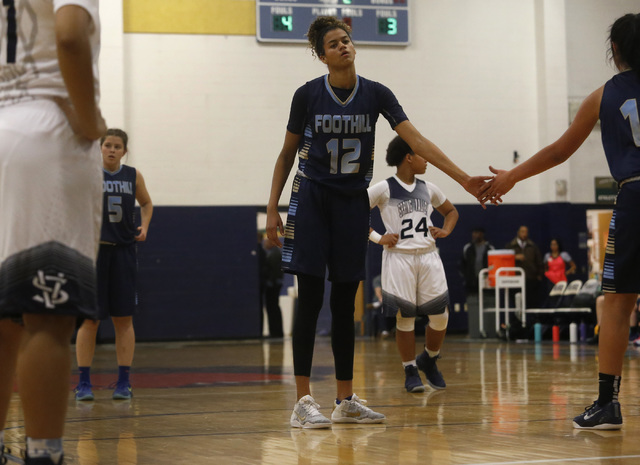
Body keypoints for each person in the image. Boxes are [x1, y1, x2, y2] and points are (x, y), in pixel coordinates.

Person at [265, 16, 489, 429]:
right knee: (311, 300)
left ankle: (345, 398)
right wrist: (272, 207)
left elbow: (416, 140)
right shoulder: (307, 95)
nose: (343, 47)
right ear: (321, 56)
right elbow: (285, 154)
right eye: (333, 44)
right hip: (311, 198)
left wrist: (463, 178)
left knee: (345, 302)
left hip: (352, 201)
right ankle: (301, 402)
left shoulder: (377, 93)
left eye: (346, 40)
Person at [481, 13, 640, 430]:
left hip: (636, 195)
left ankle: (608, 403)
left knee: (618, 303)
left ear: (616, 51)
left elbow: (558, 153)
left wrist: (511, 175)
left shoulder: (603, 95)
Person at [0, 2, 104, 464]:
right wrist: (90, 119)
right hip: (44, 131)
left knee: (3, 318)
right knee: (48, 316)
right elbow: (68, 34)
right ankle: (44, 455)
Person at [368, 136, 458, 393]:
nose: (426, 159)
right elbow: (353, 209)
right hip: (399, 258)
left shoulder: (429, 188)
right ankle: (409, 370)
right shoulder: (384, 188)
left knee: (440, 317)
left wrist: (446, 230)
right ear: (408, 157)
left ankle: (428, 359)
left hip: (429, 256)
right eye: (421, 154)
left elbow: (451, 212)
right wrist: (377, 237)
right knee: (404, 318)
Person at [74, 129, 153, 402]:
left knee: (123, 319)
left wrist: (145, 225)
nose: (111, 149)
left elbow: (147, 202)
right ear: (100, 148)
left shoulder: (133, 175)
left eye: (117, 146)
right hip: (94, 253)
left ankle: (124, 382)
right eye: (107, 145)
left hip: (123, 253)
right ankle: (83, 382)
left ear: (124, 151)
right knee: (90, 319)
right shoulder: (87, 174)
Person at [460, 227, 495, 336]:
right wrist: (467, 277)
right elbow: (462, 265)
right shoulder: (468, 248)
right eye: (473, 233)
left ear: (481, 234)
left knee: (488, 306)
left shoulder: (490, 248)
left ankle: (489, 331)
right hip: (472, 285)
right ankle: (475, 332)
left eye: (477, 233)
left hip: (486, 285)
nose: (474, 235)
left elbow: (493, 266)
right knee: (474, 308)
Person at [505, 226, 543, 310]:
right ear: (518, 232)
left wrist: (539, 275)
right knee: (516, 304)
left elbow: (539, 261)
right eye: (522, 232)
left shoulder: (533, 246)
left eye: (526, 232)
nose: (524, 234)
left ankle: (531, 322)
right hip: (514, 280)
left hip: (530, 279)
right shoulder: (510, 245)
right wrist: (514, 257)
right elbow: (504, 259)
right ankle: (517, 322)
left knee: (531, 303)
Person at [262, 236, 284, 338]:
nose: (264, 244)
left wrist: (271, 281)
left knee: (272, 308)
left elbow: (274, 270)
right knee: (273, 307)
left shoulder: (274, 254)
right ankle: (276, 331)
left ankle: (275, 332)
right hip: (275, 283)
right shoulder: (274, 252)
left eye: (266, 242)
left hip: (274, 285)